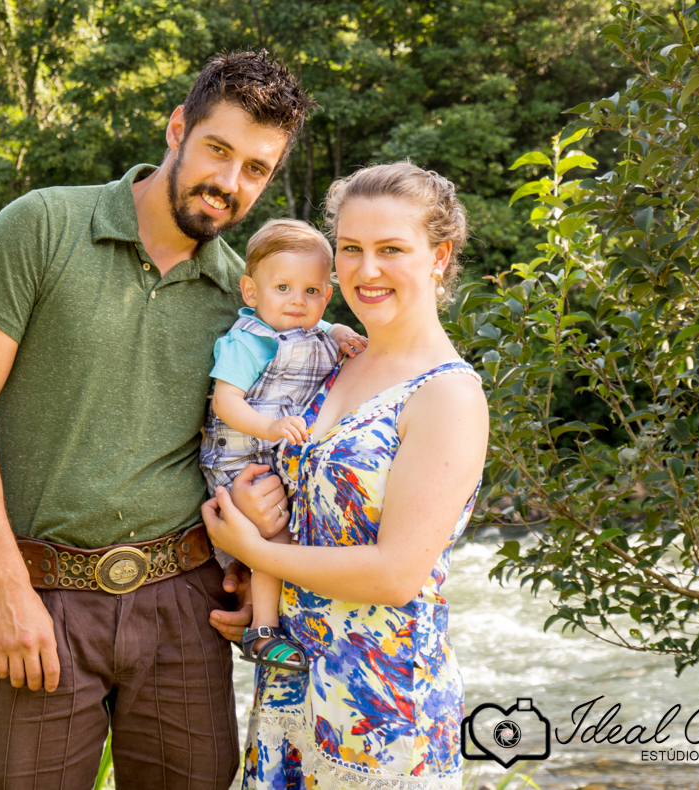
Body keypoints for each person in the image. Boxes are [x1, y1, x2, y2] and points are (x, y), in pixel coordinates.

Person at [0, 51, 313, 789]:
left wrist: (243, 568)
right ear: (177, 130)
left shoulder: (245, 304)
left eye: (256, 169)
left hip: (183, 608)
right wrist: (6, 589)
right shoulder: (42, 226)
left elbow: (240, 449)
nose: (230, 184)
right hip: (39, 595)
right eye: (219, 150)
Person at [202, 161, 489, 788]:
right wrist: (256, 587)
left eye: (392, 249)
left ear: (440, 257)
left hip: (380, 709)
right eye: (351, 249)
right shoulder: (335, 358)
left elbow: (394, 574)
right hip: (291, 687)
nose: (366, 270)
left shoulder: (447, 395)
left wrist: (252, 550)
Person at [199, 218, 367, 673]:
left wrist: (337, 333)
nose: (297, 300)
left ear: (326, 296)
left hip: (278, 457)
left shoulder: (316, 331)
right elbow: (225, 401)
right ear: (251, 293)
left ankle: (264, 609)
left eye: (311, 292)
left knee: (286, 533)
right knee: (274, 533)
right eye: (283, 288)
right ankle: (264, 630)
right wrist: (270, 427)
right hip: (242, 458)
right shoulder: (248, 342)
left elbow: (321, 328)